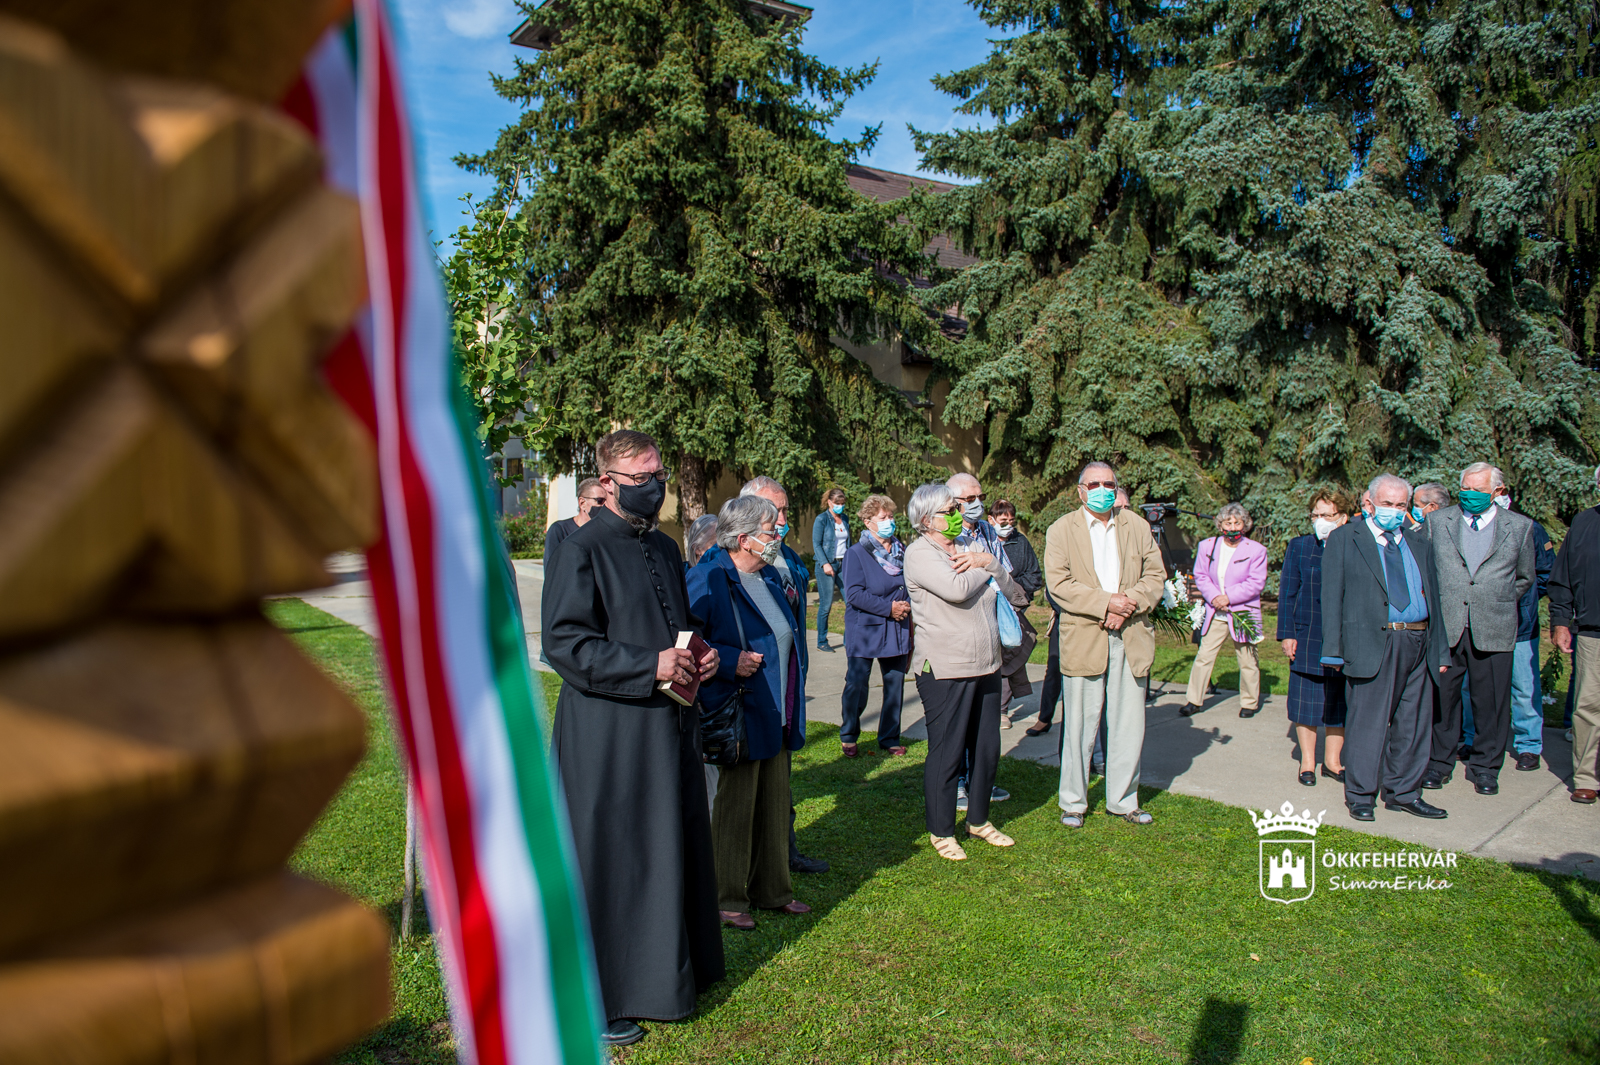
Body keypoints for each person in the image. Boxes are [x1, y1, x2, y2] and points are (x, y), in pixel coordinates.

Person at [540, 430, 723, 1047]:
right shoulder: (580, 547)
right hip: (607, 731)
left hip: (667, 722)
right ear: (610, 483)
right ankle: (602, 997)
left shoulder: (666, 549)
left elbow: (678, 624)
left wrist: (701, 654)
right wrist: (649, 666)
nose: (655, 486)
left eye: (659, 474)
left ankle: (669, 975)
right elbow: (566, 644)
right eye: (643, 478)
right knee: (612, 858)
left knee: (665, 843)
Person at [687, 496, 810, 931]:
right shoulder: (709, 576)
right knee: (736, 806)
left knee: (775, 802)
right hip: (738, 709)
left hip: (777, 708)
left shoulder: (771, 577)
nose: (779, 534)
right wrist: (726, 657)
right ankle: (727, 896)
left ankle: (773, 890)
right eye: (770, 528)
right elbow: (685, 639)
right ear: (744, 539)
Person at [903, 482, 1022, 860]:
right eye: (949, 510)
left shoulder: (972, 548)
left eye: (958, 508)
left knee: (986, 747)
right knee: (948, 749)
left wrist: (989, 565)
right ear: (926, 520)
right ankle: (941, 830)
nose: (957, 515)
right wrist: (987, 568)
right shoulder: (919, 553)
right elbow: (955, 589)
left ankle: (979, 819)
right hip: (945, 667)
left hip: (987, 662)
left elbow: (1012, 586)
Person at [1043, 461, 1166, 826]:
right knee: (1080, 723)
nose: (1102, 489)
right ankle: (1073, 802)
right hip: (1085, 635)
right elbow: (1059, 584)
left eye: (1108, 483)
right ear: (1080, 490)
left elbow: (1155, 575)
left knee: (1129, 723)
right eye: (1093, 484)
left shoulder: (1137, 526)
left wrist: (1126, 603)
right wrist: (1106, 603)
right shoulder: (1061, 529)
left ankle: (1124, 801)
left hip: (1131, 636)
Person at [1320, 473, 1447, 822]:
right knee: (1368, 723)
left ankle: (1404, 791)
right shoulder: (1346, 538)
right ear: (1369, 503)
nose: (1394, 511)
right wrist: (1332, 648)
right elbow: (1331, 596)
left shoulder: (1418, 542)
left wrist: (1440, 650)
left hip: (1419, 639)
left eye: (1401, 505)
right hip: (1373, 641)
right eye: (1387, 504)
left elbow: (1434, 596)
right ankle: (1361, 794)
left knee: (1414, 722)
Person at [1421, 462, 1536, 796]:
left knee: (1492, 702)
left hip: (1493, 625)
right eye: (1465, 488)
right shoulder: (1437, 522)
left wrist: (1496, 599)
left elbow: (1525, 577)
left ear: (1496, 492)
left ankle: (1486, 767)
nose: (1469, 494)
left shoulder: (1520, 527)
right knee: (1444, 698)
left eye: (1478, 490)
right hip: (1447, 625)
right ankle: (1439, 763)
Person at [735, 476, 826, 874]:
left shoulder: (786, 557)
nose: (784, 519)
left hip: (788, 683)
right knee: (746, 786)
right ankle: (747, 863)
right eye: (778, 511)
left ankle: (782, 853)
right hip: (752, 688)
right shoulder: (730, 560)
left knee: (780, 777)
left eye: (786, 510)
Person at [947, 472, 1017, 806]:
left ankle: (981, 782)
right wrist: (986, 569)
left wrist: (988, 566)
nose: (977, 504)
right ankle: (959, 783)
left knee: (985, 719)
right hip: (961, 634)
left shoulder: (988, 531)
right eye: (969, 499)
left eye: (979, 497)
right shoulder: (947, 535)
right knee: (961, 716)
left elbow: (1004, 572)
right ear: (953, 503)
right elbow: (957, 581)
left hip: (990, 631)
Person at [1277, 489, 1352, 787]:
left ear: (1343, 518)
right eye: (1316, 515)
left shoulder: (1354, 545)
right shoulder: (1300, 546)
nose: (1320, 521)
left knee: (1337, 702)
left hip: (1343, 638)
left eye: (1328, 515)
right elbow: (1288, 592)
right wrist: (1287, 634)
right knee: (1305, 702)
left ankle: (1333, 762)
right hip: (1307, 634)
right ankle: (1307, 762)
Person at [1180, 503, 1267, 720]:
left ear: (1245, 525)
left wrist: (1228, 597)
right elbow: (1201, 575)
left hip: (1242, 612)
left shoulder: (1256, 550)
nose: (1232, 527)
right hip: (1215, 610)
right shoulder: (1206, 546)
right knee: (1204, 655)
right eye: (1228, 522)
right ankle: (1194, 700)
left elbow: (1256, 582)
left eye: (1237, 522)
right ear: (1220, 525)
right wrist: (1215, 597)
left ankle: (1249, 702)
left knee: (1247, 659)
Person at [840, 494, 911, 758]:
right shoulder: (856, 554)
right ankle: (849, 733)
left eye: (891, 517)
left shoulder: (902, 551)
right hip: (866, 629)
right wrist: (888, 608)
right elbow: (855, 595)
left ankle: (890, 737)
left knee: (895, 686)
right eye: (883, 518)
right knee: (857, 685)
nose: (889, 522)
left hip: (897, 628)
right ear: (869, 522)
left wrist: (905, 606)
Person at [1551, 465, 1600, 803]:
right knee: (1587, 706)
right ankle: (1587, 778)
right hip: (1592, 632)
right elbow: (1563, 577)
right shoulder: (1584, 522)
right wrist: (1560, 621)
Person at [992, 499, 1042, 727]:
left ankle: (1002, 709)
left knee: (1012, 657)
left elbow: (1034, 575)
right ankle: (994, 708)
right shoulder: (985, 541)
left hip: (1015, 608)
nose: (1008, 525)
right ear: (992, 520)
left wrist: (1015, 594)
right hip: (990, 608)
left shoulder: (1020, 542)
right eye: (1003, 521)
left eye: (1012, 521)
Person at [811, 488, 849, 652]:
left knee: (851, 603)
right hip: (826, 564)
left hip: (844, 565)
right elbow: (816, 544)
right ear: (829, 502)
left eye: (842, 504)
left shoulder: (845, 519)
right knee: (826, 605)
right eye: (837, 503)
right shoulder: (822, 520)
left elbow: (849, 543)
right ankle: (821, 641)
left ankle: (849, 640)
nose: (840, 506)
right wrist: (825, 563)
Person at [543, 476, 605, 560]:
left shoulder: (604, 532)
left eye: (607, 502)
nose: (604, 506)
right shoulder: (560, 530)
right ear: (582, 503)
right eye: (600, 501)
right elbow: (551, 568)